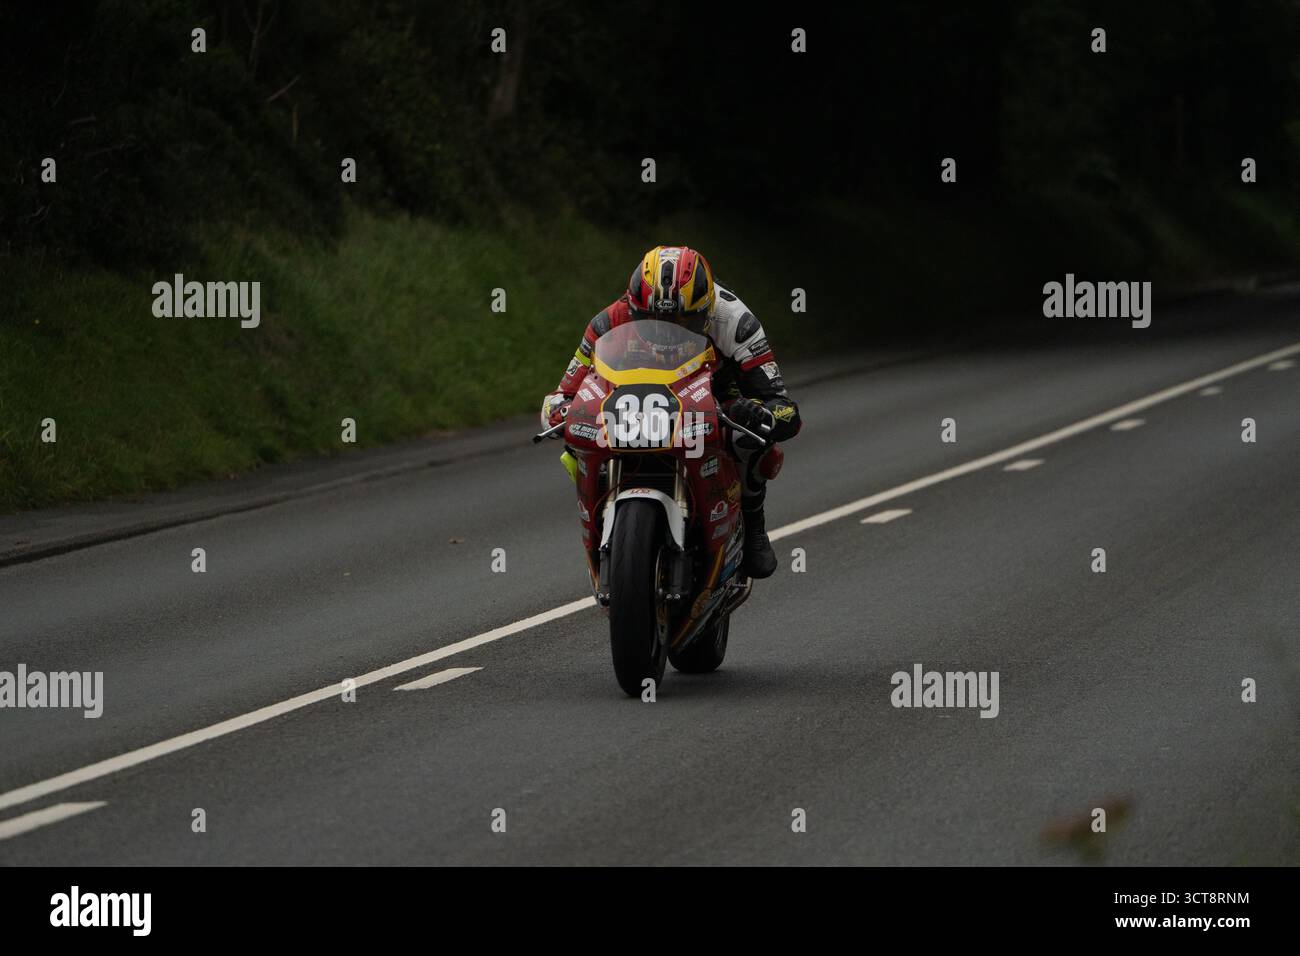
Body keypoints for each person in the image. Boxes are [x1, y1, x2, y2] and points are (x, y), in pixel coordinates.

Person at [540, 245, 801, 578]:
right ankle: (599, 530)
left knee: (749, 440)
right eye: (654, 321)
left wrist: (761, 415)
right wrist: (565, 411)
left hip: (716, 395)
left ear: (707, 309)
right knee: (575, 444)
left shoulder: (735, 321)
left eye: (685, 321)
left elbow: (783, 408)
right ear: (633, 307)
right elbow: (562, 394)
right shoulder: (609, 320)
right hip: (633, 399)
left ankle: (753, 524)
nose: (666, 332)